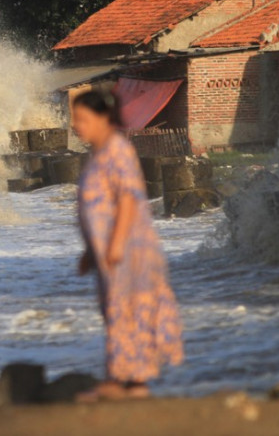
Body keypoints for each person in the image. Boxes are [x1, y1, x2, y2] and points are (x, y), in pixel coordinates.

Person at [71, 88, 184, 400]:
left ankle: (121, 380)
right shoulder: (99, 152)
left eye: (82, 118)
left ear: (103, 118)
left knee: (126, 310)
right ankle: (133, 382)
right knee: (119, 311)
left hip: (128, 247)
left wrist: (116, 245)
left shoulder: (117, 150)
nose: (76, 126)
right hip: (107, 248)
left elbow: (129, 199)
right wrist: (88, 251)